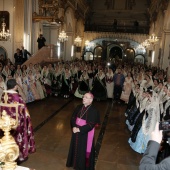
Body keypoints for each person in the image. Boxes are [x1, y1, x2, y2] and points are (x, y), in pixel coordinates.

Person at [0, 79, 36, 162]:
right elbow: (24, 109)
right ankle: (19, 156)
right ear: (15, 86)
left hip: (6, 123)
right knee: (18, 138)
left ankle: (7, 154)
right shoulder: (17, 96)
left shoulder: (3, 94)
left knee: (7, 137)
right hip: (17, 122)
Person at [66, 92, 100, 170]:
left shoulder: (94, 110)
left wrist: (79, 129)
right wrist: (74, 126)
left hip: (85, 134)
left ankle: (81, 166)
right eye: (83, 97)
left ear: (91, 100)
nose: (83, 98)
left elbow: (91, 125)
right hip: (76, 131)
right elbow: (73, 118)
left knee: (82, 150)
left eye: (86, 97)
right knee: (75, 148)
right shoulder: (79, 107)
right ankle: (74, 163)